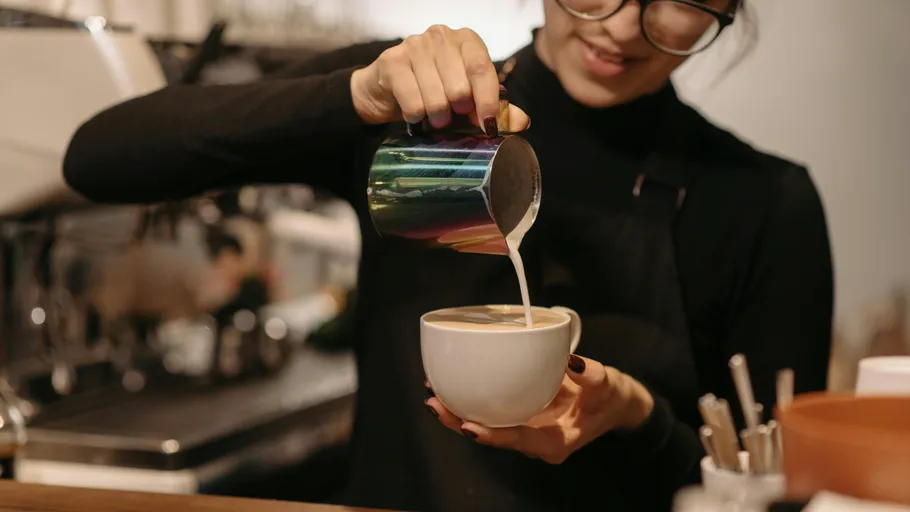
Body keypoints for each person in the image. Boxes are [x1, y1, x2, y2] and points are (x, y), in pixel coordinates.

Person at [62, 0, 834, 510]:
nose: (625, 27)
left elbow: (776, 489)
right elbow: (98, 159)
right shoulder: (412, 120)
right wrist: (350, 96)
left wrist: (640, 418)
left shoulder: (762, 201)